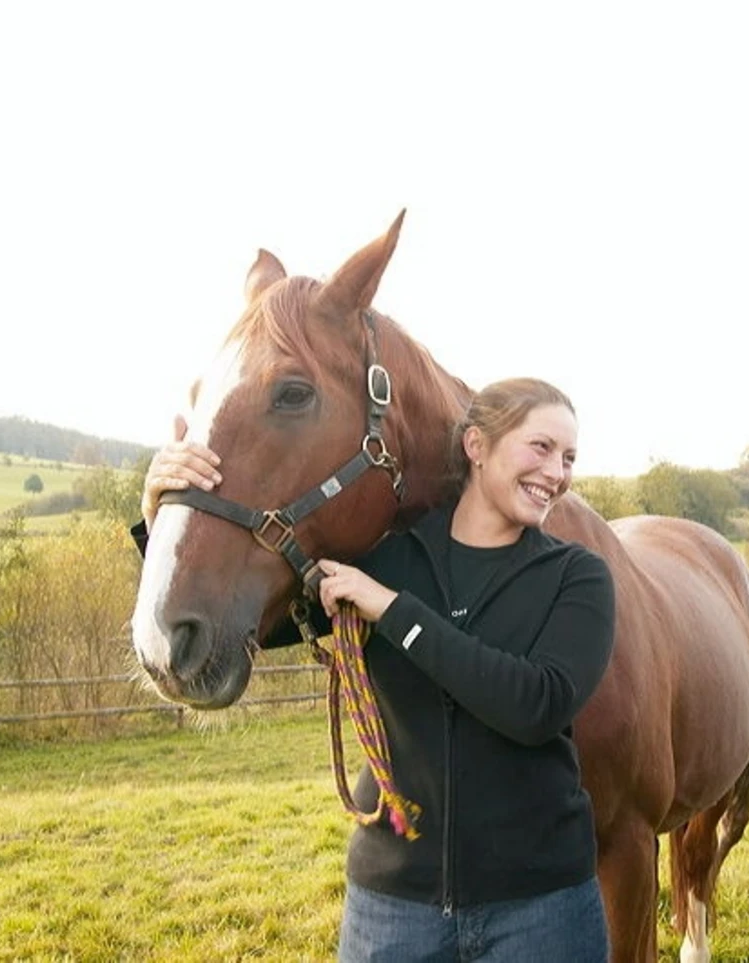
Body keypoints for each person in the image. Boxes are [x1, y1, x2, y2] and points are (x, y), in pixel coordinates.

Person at [136, 377, 617, 962]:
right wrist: (167, 512)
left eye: (568, 458)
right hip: (394, 907)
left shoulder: (577, 577)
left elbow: (536, 707)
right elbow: (240, 621)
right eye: (540, 447)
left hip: (541, 906)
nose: (557, 472)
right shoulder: (382, 561)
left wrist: (394, 612)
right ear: (476, 446)